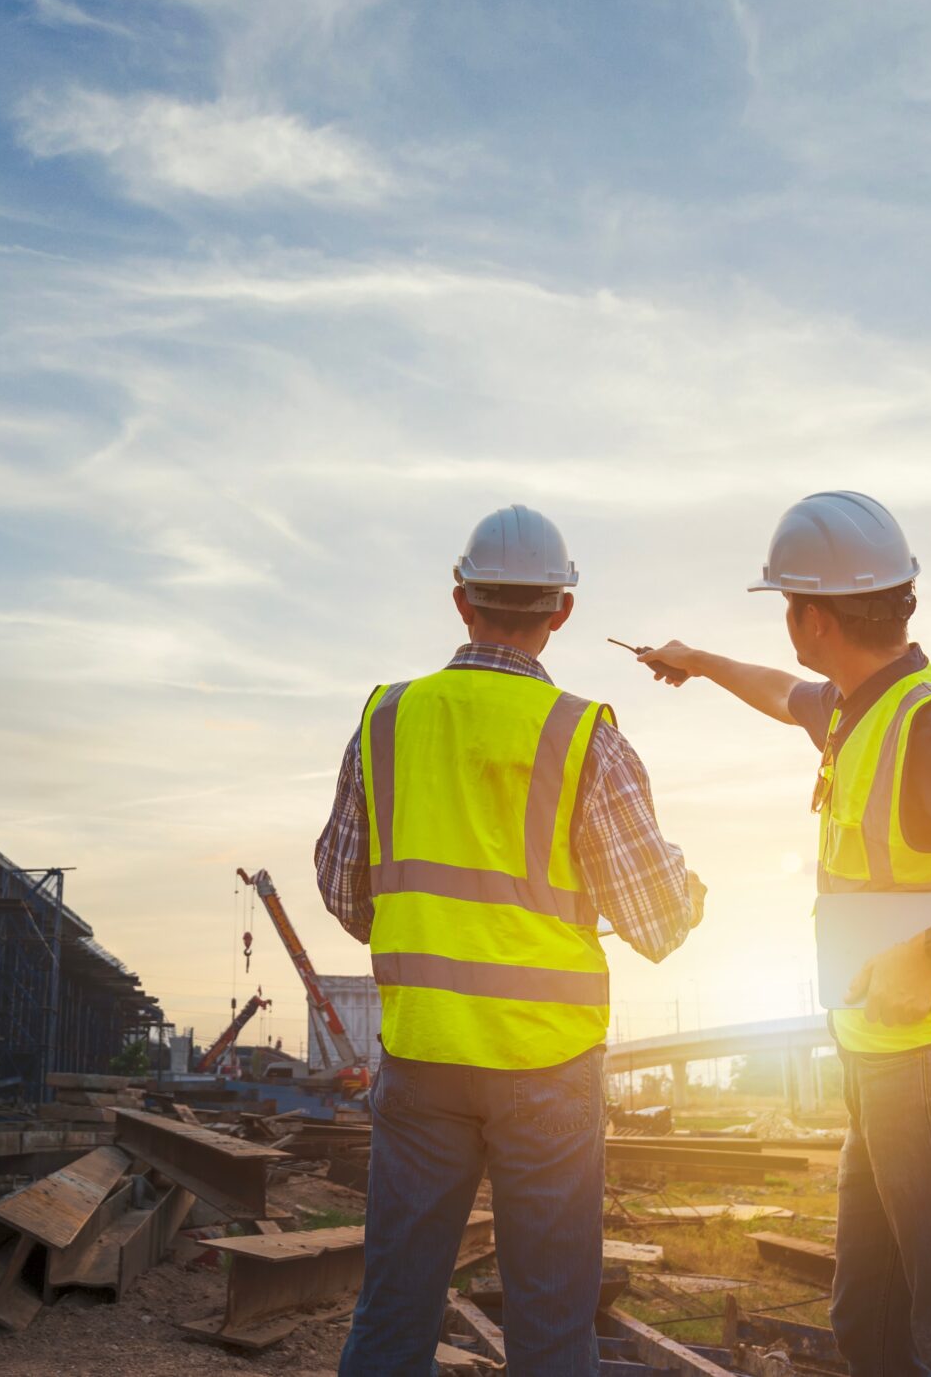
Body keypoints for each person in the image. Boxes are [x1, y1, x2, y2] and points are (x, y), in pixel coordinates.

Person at [636, 492, 931, 1377]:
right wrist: (696, 661)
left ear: (811, 618)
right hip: (889, 1065)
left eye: (786, 603)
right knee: (874, 1325)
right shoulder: (857, 709)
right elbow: (782, 694)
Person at [319, 504, 706, 1376]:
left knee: (391, 1318)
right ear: (560, 612)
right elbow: (658, 922)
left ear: (461, 600)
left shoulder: (388, 720)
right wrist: (688, 881)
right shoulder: (581, 735)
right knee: (553, 1333)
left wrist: (429, 937)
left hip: (423, 1059)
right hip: (549, 1068)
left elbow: (344, 886)